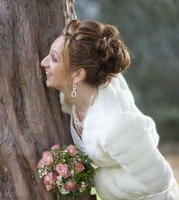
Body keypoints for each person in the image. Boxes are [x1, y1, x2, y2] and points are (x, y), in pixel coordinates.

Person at [40, 19, 179, 200]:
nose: (43, 62)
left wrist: (98, 181)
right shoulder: (89, 86)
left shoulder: (114, 127)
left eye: (54, 58)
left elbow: (159, 180)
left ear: (78, 74)